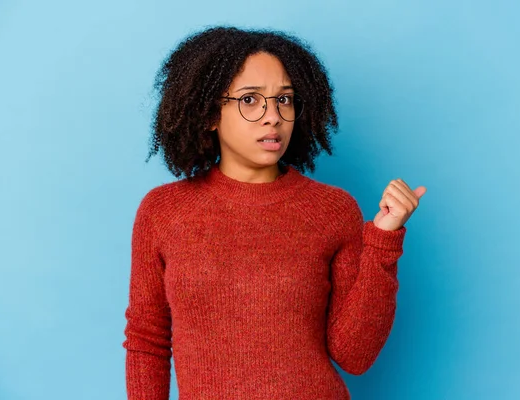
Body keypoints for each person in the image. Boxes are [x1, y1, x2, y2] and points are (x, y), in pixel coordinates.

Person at [122, 25, 426, 400]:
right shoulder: (163, 211)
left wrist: (382, 241)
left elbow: (355, 356)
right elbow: (147, 339)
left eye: (284, 100)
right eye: (250, 100)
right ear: (208, 114)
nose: (273, 117)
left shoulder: (331, 210)